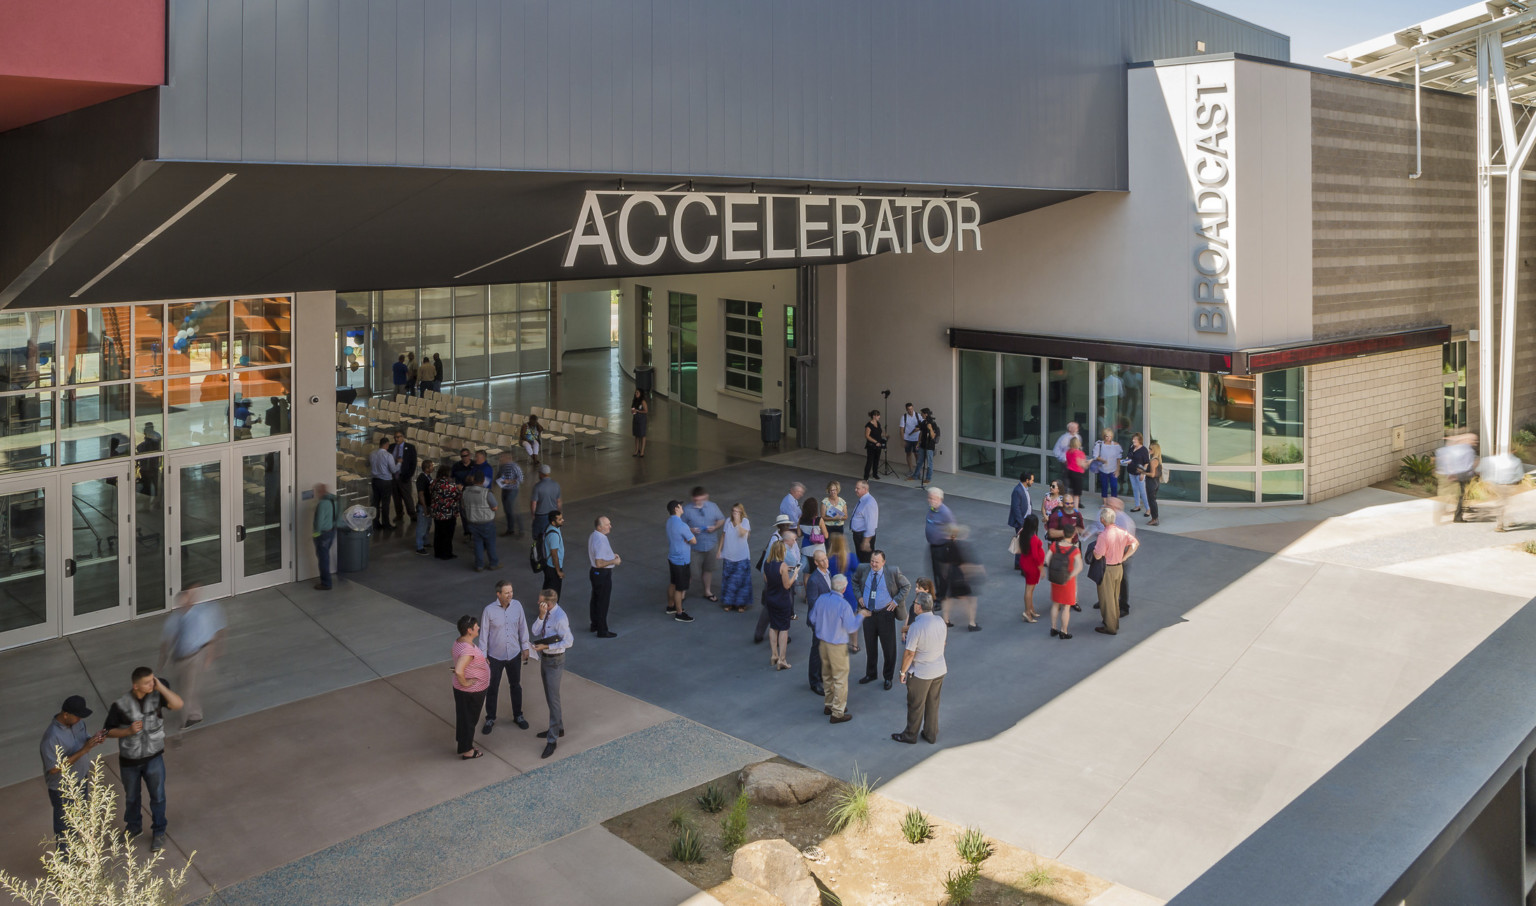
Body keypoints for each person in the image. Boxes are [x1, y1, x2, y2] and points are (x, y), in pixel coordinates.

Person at [104, 667, 184, 850]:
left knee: (158, 796)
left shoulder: (157, 695)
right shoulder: (121, 705)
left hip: (154, 758)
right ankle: (133, 828)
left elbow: (178, 704)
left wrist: (160, 686)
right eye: (148, 682)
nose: (152, 684)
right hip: (129, 761)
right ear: (135, 686)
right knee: (132, 797)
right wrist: (127, 731)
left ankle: (159, 831)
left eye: (152, 680)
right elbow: (107, 731)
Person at [157, 585, 226, 730]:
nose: (185, 605)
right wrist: (162, 660)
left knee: (188, 690)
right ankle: (194, 714)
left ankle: (185, 722)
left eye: (187, 601)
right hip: (179, 658)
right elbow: (167, 640)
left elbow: (210, 636)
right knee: (184, 687)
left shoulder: (199, 617)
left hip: (195, 656)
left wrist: (210, 656)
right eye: (182, 602)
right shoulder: (175, 619)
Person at [41, 696, 107, 842]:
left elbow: (83, 740)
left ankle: (78, 853)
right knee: (65, 828)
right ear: (66, 714)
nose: (80, 719)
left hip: (81, 778)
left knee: (79, 819)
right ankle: (65, 862)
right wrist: (84, 750)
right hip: (63, 788)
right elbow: (53, 769)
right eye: (77, 716)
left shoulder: (78, 723)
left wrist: (94, 739)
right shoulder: (51, 737)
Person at [810, 575, 870, 723]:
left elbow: (812, 618)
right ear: (844, 588)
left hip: (823, 643)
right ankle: (837, 712)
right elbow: (851, 627)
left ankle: (829, 704)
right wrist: (861, 615)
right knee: (840, 679)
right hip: (837, 646)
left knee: (827, 675)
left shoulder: (821, 599)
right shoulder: (844, 605)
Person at [891, 591, 946, 745]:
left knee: (915, 704)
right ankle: (931, 734)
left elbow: (909, 653)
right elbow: (943, 644)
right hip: (939, 669)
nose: (913, 605)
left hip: (921, 673)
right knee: (933, 703)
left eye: (915, 603)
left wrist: (903, 672)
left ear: (919, 607)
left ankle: (910, 735)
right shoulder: (940, 621)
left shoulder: (916, 626)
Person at [853, 550, 911, 690]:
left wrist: (896, 601)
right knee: (870, 646)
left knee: (888, 648)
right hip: (868, 613)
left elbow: (906, 586)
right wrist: (859, 596)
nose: (873, 564)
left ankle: (888, 677)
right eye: (872, 561)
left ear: (883, 563)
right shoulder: (863, 568)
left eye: (877, 562)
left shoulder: (892, 572)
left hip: (885, 614)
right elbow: (854, 582)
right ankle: (871, 673)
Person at [479, 580, 531, 734]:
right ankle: (490, 718)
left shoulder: (517, 606)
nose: (510, 595)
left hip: (514, 654)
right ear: (498, 594)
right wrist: (483, 656)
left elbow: (523, 626)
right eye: (507, 592)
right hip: (495, 656)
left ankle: (518, 715)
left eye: (511, 591)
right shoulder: (489, 610)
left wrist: (525, 646)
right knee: (492, 687)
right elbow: (483, 635)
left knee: (515, 685)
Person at [531, 590, 573, 759]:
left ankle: (552, 739)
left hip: (555, 660)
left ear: (548, 603)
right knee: (549, 696)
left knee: (553, 699)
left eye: (540, 602)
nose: (537, 603)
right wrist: (541, 616)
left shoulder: (560, 618)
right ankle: (558, 727)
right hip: (545, 658)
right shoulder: (545, 614)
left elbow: (569, 641)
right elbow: (535, 631)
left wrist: (546, 647)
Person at [753, 515, 802, 644]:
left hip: (776, 579)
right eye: (785, 524)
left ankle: (761, 633)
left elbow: (767, 564)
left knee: (771, 607)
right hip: (781, 581)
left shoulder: (783, 542)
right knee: (781, 609)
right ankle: (781, 634)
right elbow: (769, 564)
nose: (787, 526)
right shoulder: (779, 545)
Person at [1091, 508, 1139, 635]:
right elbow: (1135, 543)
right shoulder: (1121, 532)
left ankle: (1110, 626)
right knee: (1114, 595)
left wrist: (1094, 550)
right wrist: (1125, 556)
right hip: (1119, 567)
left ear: (1102, 520)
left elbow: (1097, 555)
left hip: (1107, 569)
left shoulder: (1103, 535)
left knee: (1107, 598)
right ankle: (1113, 621)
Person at [451, 615, 489, 760]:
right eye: (476, 627)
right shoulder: (467, 650)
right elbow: (460, 670)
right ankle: (467, 750)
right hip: (470, 692)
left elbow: (465, 660)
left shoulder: (460, 642)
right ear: (469, 630)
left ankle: (464, 744)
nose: (478, 628)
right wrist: (466, 683)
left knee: (464, 718)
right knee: (469, 721)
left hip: (463, 691)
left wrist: (481, 661)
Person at [683, 486, 726, 602]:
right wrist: (690, 530)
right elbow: (680, 526)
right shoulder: (686, 510)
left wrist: (715, 527)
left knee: (708, 569)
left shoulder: (713, 506)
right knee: (689, 572)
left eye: (701, 499)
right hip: (693, 547)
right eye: (696, 500)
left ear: (706, 497)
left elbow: (721, 519)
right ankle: (682, 593)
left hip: (710, 544)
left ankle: (707, 591)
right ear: (692, 498)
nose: (698, 502)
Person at [762, 537, 800, 669]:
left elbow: (766, 579)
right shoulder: (783, 566)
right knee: (784, 628)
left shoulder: (767, 564)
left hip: (771, 598)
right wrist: (794, 573)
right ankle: (782, 659)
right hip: (782, 600)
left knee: (773, 626)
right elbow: (787, 585)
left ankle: (774, 655)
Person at [804, 549, 835, 694]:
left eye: (826, 559)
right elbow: (813, 603)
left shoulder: (828, 573)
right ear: (816, 563)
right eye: (821, 560)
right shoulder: (814, 580)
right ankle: (814, 681)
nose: (825, 562)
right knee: (817, 651)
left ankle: (822, 676)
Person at [1043, 524, 1083, 640]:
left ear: (1063, 533)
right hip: (1068, 581)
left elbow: (1047, 560)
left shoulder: (1055, 545)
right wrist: (1070, 576)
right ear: (1073, 535)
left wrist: (1055, 570)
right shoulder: (1075, 550)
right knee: (1066, 607)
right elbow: (1079, 567)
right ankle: (1063, 631)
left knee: (1055, 604)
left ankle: (1053, 628)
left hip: (1055, 579)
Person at [941, 524, 982, 631]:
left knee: (948, 598)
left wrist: (945, 574)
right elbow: (965, 563)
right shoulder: (962, 546)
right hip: (960, 576)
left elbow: (944, 562)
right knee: (971, 599)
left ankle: (946, 620)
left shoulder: (947, 545)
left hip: (950, 575)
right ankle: (972, 623)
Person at [588, 516, 621, 637]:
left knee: (595, 599)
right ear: (600, 527)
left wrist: (611, 555)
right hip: (602, 573)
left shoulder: (594, 535)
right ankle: (602, 630)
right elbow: (599, 563)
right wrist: (614, 561)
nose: (610, 526)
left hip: (595, 573)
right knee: (603, 602)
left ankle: (595, 624)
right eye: (607, 525)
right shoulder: (601, 540)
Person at [924, 488, 955, 617]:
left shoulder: (945, 512)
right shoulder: (932, 510)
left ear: (940, 499)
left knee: (942, 574)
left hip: (942, 547)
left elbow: (953, 530)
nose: (930, 500)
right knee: (936, 573)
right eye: (929, 498)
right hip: (933, 546)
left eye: (933, 498)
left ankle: (941, 598)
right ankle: (940, 593)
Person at [664, 500, 696, 623]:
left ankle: (670, 606)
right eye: (680, 506)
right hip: (682, 560)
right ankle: (679, 613)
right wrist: (689, 536)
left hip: (672, 557)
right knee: (680, 588)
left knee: (673, 582)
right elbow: (693, 541)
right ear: (677, 508)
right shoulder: (682, 525)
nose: (682, 507)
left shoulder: (669, 522)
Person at [461, 472, 500, 572]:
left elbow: (463, 506)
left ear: (473, 480)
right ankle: (493, 563)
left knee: (477, 544)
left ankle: (479, 565)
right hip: (487, 523)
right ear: (483, 481)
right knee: (490, 543)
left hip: (472, 522)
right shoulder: (486, 492)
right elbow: (495, 507)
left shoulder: (466, 492)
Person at [1435, 433, 1478, 523]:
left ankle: (1448, 514)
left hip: (1453, 474)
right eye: (1473, 440)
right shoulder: (1466, 450)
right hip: (1457, 475)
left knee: (1454, 496)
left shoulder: (1452, 449)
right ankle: (1456, 516)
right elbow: (1466, 465)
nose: (1475, 442)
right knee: (1457, 496)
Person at [719, 504, 753, 613]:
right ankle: (729, 603)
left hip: (741, 557)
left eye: (737, 512)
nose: (735, 513)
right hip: (729, 556)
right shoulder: (728, 521)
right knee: (729, 580)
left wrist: (738, 523)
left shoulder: (745, 522)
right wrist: (719, 550)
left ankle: (741, 604)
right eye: (733, 511)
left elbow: (744, 534)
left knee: (741, 581)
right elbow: (723, 535)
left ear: (741, 512)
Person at [430, 464, 463, 560]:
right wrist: (459, 489)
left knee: (438, 533)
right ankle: (446, 553)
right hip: (448, 514)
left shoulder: (434, 483)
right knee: (447, 535)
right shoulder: (450, 486)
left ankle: (438, 552)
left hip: (437, 513)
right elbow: (457, 497)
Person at [1017, 514, 1045, 623]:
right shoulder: (1033, 538)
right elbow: (1035, 556)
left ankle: (1031, 609)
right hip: (1031, 566)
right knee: (1029, 589)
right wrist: (1041, 569)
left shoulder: (1023, 532)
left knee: (1030, 589)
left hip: (1025, 562)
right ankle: (1027, 612)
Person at [312, 482, 339, 589]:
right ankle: (327, 581)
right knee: (326, 556)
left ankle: (326, 583)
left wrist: (316, 534)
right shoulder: (334, 500)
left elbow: (318, 522)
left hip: (323, 534)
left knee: (323, 558)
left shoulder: (322, 504)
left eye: (317, 491)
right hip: (332, 531)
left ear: (320, 491)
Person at [369, 436, 399, 530]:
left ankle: (376, 523)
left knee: (376, 503)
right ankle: (386, 524)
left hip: (375, 480)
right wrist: (400, 463)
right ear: (386, 445)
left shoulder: (372, 454)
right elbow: (393, 470)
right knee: (385, 503)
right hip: (385, 481)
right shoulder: (388, 455)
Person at [495, 452, 525, 538]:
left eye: (502, 458)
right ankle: (510, 529)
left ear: (508, 458)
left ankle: (521, 530)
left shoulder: (514, 466)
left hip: (512, 490)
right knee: (507, 510)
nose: (501, 459)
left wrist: (509, 481)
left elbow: (521, 479)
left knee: (513, 510)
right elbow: (498, 475)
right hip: (504, 489)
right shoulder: (502, 466)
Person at [529, 463, 562, 540]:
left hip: (541, 516)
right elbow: (559, 501)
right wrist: (559, 513)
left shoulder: (537, 486)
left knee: (539, 537)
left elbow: (534, 503)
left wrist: (533, 514)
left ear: (541, 474)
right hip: (553, 515)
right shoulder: (556, 485)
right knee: (552, 536)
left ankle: (540, 550)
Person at [391, 430, 418, 522]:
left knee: (407, 497)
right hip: (393, 477)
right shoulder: (391, 447)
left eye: (398, 437)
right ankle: (399, 514)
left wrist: (408, 475)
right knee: (396, 497)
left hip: (404, 476)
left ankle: (412, 514)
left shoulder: (410, 447)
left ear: (403, 437)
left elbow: (413, 463)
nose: (396, 439)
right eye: (395, 437)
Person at [1091, 429, 1123, 503]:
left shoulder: (1116, 445)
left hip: (1113, 469)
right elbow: (1095, 456)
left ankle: (1113, 503)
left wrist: (1118, 470)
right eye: (1107, 436)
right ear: (1104, 436)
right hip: (1103, 469)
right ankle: (1105, 503)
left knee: (1114, 486)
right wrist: (1102, 460)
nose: (1108, 438)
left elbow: (1118, 458)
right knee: (1104, 486)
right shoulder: (1099, 444)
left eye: (1110, 436)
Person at [1008, 471, 1035, 551]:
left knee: (1026, 544)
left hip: (1027, 521)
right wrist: (1022, 524)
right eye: (1032, 480)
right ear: (1027, 480)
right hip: (1022, 523)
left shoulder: (1024, 489)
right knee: (1020, 545)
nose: (1033, 482)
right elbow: (1016, 508)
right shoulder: (1017, 490)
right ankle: (1018, 563)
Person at [849, 480, 879, 555]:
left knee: (865, 561)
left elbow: (871, 524)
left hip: (863, 536)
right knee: (861, 558)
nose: (855, 490)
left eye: (857, 488)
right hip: (859, 536)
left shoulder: (869, 503)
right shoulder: (864, 500)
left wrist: (866, 541)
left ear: (865, 489)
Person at [540, 510, 566, 594]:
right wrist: (558, 571)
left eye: (562, 518)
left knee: (548, 587)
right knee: (554, 592)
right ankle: (550, 606)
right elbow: (554, 554)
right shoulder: (553, 535)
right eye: (560, 519)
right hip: (552, 567)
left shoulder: (552, 528)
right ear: (553, 522)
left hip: (549, 566)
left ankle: (543, 603)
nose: (563, 520)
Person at [414, 458, 436, 554]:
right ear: (427, 468)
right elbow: (421, 494)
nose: (433, 467)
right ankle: (419, 546)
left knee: (427, 525)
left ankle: (425, 541)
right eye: (431, 466)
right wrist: (424, 507)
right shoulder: (422, 479)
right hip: (423, 506)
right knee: (421, 527)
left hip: (428, 505)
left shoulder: (428, 477)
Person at [1125, 433, 1150, 513]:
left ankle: (1148, 509)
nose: (1133, 440)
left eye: (1135, 439)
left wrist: (1143, 473)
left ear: (1139, 440)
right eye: (1133, 439)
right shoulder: (1132, 447)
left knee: (1142, 491)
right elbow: (1128, 457)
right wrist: (1126, 460)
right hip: (1131, 472)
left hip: (1139, 473)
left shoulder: (1144, 450)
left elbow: (1146, 463)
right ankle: (1137, 506)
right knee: (1135, 489)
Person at [915, 407, 940, 483]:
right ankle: (915, 476)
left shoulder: (933, 424)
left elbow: (933, 436)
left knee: (929, 463)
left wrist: (931, 429)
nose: (921, 415)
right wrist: (918, 443)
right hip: (922, 445)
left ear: (925, 414)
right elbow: (921, 433)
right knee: (919, 461)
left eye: (922, 414)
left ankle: (928, 478)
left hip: (929, 446)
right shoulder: (923, 422)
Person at [899, 402, 922, 478]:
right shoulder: (904, 417)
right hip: (907, 439)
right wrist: (903, 440)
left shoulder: (918, 416)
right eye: (909, 409)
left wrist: (918, 428)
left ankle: (918, 471)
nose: (910, 410)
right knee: (908, 454)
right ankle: (911, 470)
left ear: (913, 408)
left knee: (917, 454)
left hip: (917, 439)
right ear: (906, 409)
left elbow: (923, 426)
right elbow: (901, 430)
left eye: (911, 409)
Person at [1064, 436, 1088, 507]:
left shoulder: (1068, 452)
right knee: (1076, 494)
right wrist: (1088, 463)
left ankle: (1068, 506)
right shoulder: (1079, 453)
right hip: (1077, 474)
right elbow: (1081, 464)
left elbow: (1067, 462)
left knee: (1071, 491)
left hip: (1070, 472)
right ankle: (1075, 510)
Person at [862, 409, 886, 481]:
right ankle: (866, 477)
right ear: (874, 416)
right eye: (878, 415)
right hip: (871, 446)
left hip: (878, 445)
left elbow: (879, 433)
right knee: (870, 461)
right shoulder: (869, 425)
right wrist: (875, 442)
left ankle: (875, 474)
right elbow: (867, 436)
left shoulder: (878, 423)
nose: (879, 417)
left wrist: (885, 435)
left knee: (876, 460)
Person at [1145, 441, 1163, 527]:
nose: (1149, 450)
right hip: (1156, 483)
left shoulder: (1153, 461)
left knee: (1151, 501)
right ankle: (1154, 518)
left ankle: (1154, 519)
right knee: (1152, 501)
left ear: (1154, 450)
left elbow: (1152, 474)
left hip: (1151, 483)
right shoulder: (1158, 460)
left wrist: (1143, 472)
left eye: (1150, 449)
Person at [631, 389, 648, 457]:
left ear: (640, 393)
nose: (636, 394)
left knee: (642, 434)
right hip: (636, 418)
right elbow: (632, 409)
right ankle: (636, 450)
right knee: (636, 435)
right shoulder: (634, 401)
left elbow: (646, 411)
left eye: (637, 392)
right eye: (635, 392)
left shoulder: (643, 401)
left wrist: (638, 411)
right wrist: (633, 411)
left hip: (642, 419)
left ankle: (642, 451)